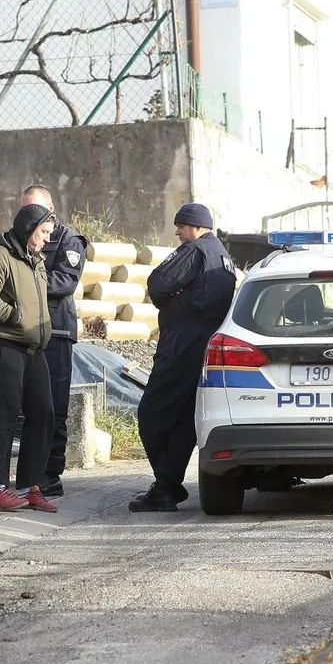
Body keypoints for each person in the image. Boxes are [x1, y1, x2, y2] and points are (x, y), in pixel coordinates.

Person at [0, 186, 87, 497]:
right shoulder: (3, 253)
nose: (45, 234)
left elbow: (65, 281)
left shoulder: (64, 242)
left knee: (48, 411)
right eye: (28, 213)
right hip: (8, 342)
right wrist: (19, 309)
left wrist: (27, 299)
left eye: (40, 212)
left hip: (50, 337)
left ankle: (41, 478)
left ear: (51, 209)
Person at [130, 203, 236, 513]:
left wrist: (172, 296)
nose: (177, 232)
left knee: (152, 413)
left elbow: (157, 283)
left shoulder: (197, 250)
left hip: (181, 346)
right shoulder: (223, 256)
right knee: (183, 422)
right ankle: (165, 487)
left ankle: (166, 484)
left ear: (194, 226)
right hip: (205, 349)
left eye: (180, 226)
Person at [0, 203, 59, 512]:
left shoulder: (36, 261)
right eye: (44, 232)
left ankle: (28, 486)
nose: (48, 239)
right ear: (28, 229)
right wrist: (15, 317)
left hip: (34, 350)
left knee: (43, 413)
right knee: (5, 414)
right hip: (2, 346)